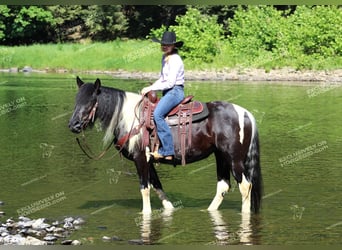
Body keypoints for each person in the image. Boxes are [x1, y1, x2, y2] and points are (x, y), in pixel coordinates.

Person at [141, 31, 185, 160]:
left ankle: (167, 151)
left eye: (168, 45)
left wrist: (151, 87)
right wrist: (150, 87)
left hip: (175, 91)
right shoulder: (165, 58)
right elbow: (162, 79)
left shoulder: (175, 60)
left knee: (158, 114)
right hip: (168, 91)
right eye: (163, 44)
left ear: (173, 46)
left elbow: (170, 82)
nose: (165, 46)